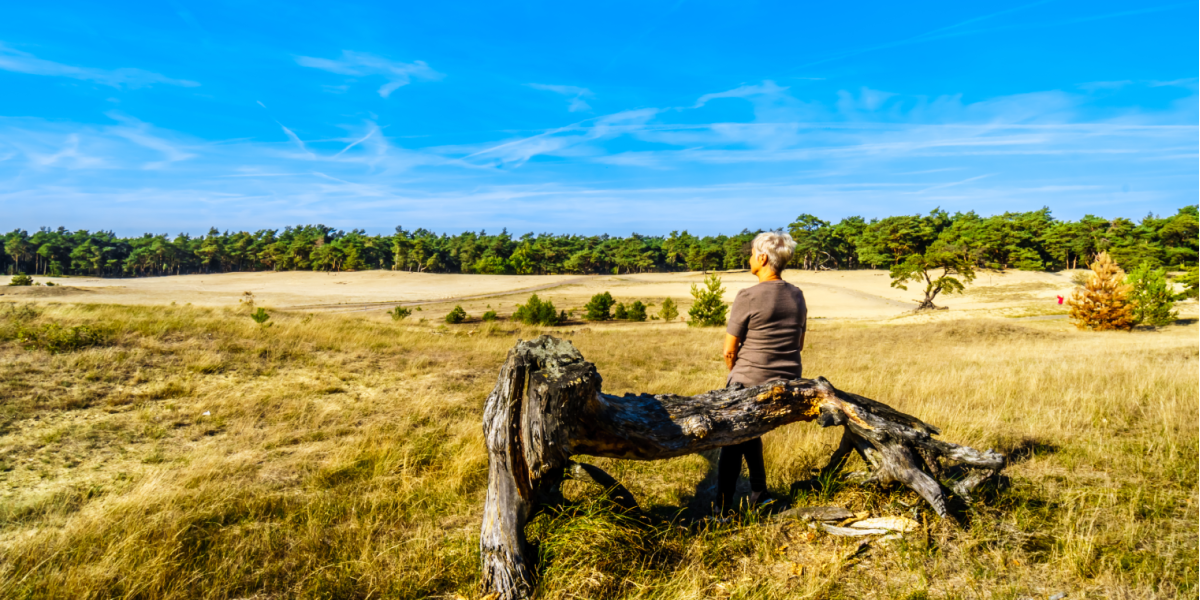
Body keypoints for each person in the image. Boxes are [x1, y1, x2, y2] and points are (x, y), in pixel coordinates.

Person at [717, 230, 807, 513]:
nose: (749, 257)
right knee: (748, 431)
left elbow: (729, 351)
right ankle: (760, 494)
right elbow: (799, 343)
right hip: (788, 381)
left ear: (762, 257)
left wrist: (737, 374)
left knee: (731, 438)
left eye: (752, 252)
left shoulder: (748, 296)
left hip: (750, 380)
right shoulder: (797, 295)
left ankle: (721, 508)